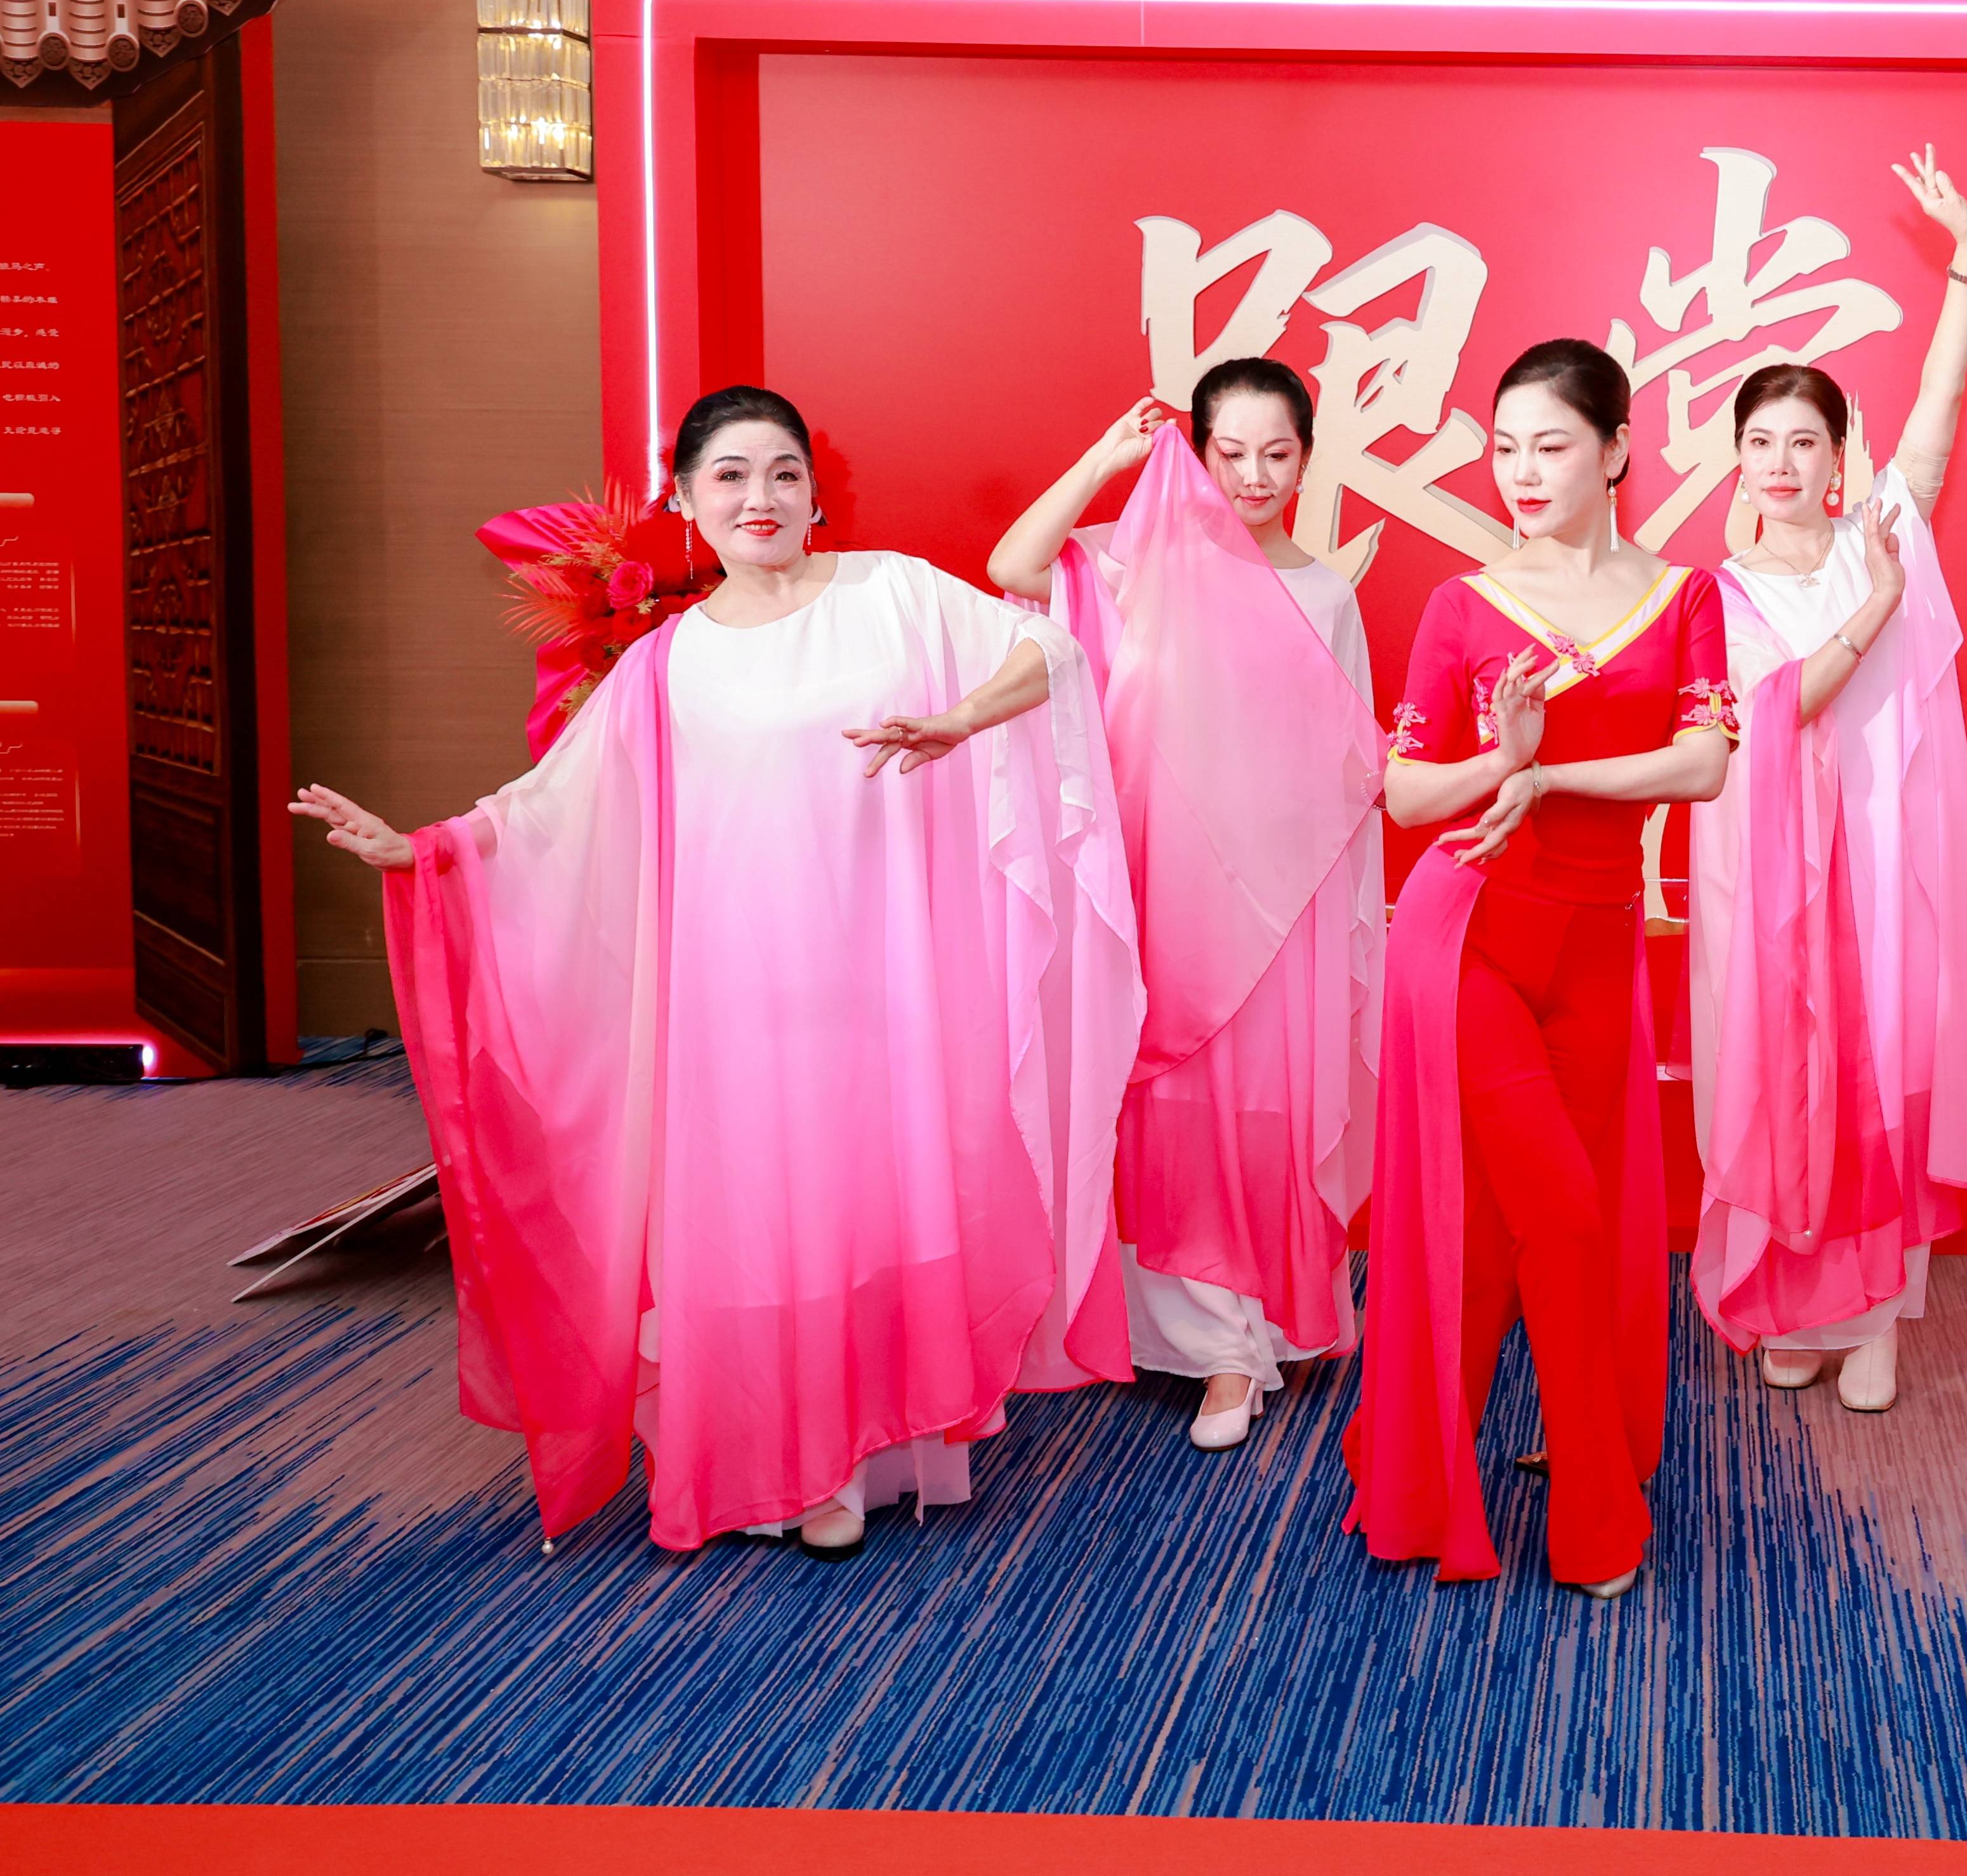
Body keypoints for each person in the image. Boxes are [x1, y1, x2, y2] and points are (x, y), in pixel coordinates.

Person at [291, 386, 1138, 1559]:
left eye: (784, 472)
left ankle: (854, 1451)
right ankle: (777, 1453)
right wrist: (427, 849)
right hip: (734, 989)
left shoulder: (892, 592)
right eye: (730, 476)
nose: (760, 497)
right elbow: (555, 807)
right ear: (687, 501)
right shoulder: (664, 665)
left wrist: (960, 719)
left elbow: (1051, 649)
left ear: (816, 495)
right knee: (758, 1218)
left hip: (883, 974)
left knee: (863, 1202)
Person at [1344, 339, 1733, 1597]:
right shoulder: (1465, 605)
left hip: (1600, 940)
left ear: (1616, 451)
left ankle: (1414, 1465)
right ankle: (1596, 1516)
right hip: (1470, 938)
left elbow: (1703, 764)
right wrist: (1497, 763)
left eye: (1550, 445)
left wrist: (1548, 772)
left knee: (1534, 1231)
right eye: (1505, 446)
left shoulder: (1683, 596)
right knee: (1560, 1214)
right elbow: (1408, 797)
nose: (1520, 470)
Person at [989, 359, 1385, 1453]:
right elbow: (1014, 566)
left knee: (1263, 1122)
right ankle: (1205, 1344)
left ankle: (1249, 1339)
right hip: (1159, 890)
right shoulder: (1138, 565)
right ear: (1197, 455)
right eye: (1231, 453)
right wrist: (1104, 462)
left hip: (1281, 905)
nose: (1254, 476)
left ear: (1308, 458)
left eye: (1278, 454)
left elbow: (1349, 769)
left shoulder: (1326, 594)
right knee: (1167, 1119)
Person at [1685, 148, 1967, 1414]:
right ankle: (1799, 1299)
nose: (1780, 460)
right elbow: (1781, 708)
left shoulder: (1883, 534)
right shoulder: (1717, 595)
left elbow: (1940, 406)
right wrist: (1872, 613)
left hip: (1881, 854)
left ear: (1837, 458)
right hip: (1766, 871)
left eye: (1803, 441)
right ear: (1737, 457)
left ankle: (1875, 1318)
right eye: (1759, 440)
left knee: (1880, 1066)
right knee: (1780, 1074)